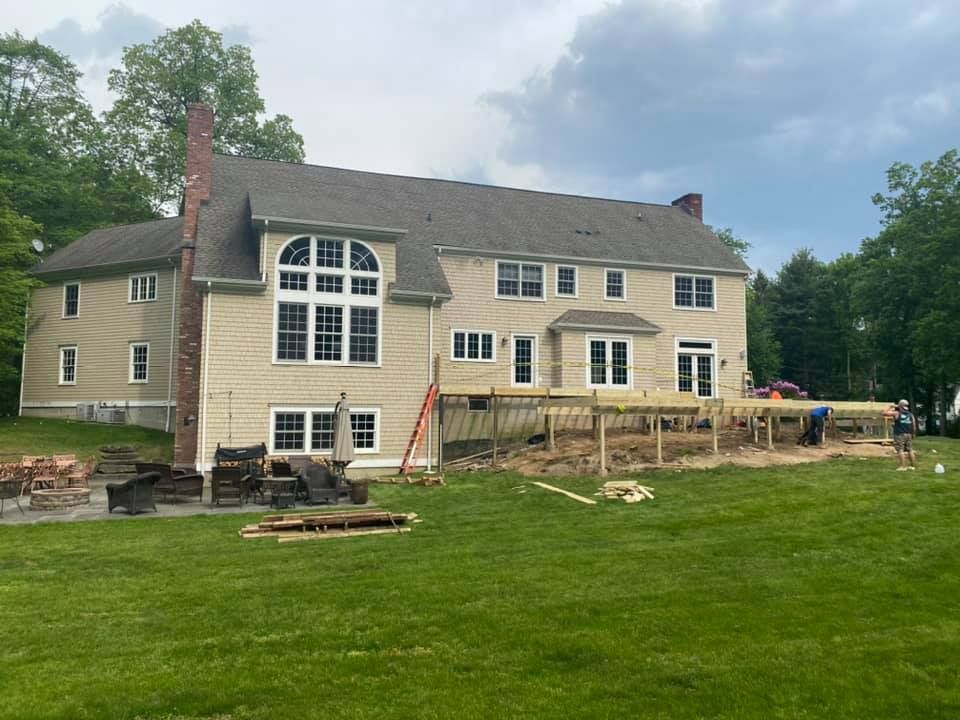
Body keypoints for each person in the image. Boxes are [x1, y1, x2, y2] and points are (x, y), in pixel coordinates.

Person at [883, 399, 917, 471]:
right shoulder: (911, 415)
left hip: (899, 434)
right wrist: (913, 434)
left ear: (900, 406)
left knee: (900, 450)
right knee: (910, 450)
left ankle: (903, 466)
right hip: (908, 434)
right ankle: (912, 466)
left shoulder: (897, 413)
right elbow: (914, 426)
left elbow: (884, 413)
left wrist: (890, 406)